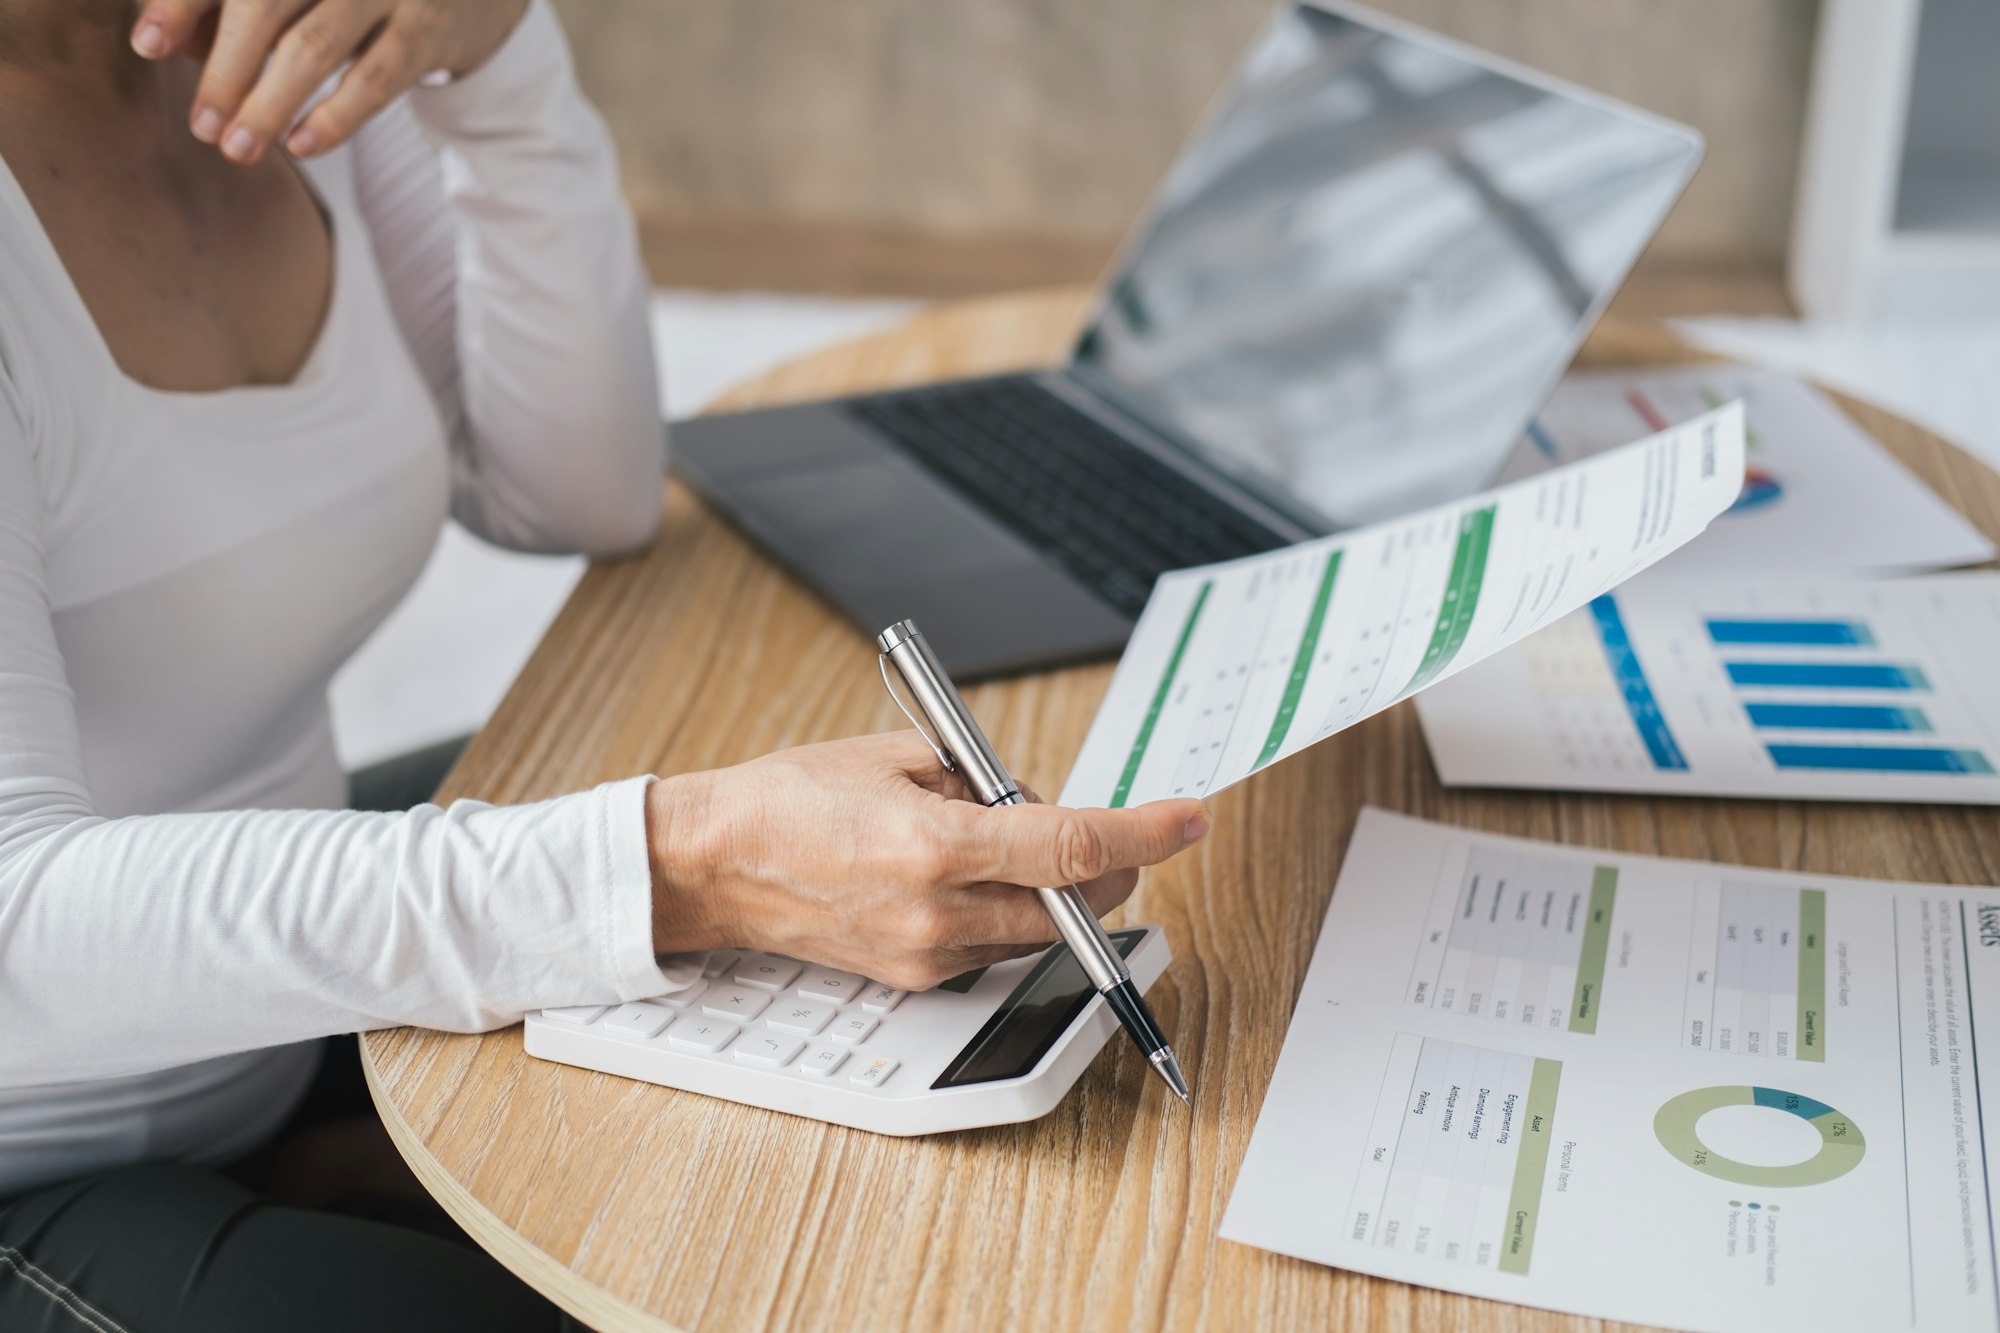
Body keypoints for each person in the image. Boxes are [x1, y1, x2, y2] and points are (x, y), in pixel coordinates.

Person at [0, 1, 1210, 1327]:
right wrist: (686, 860)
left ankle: (339, 1157)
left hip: (274, 1002)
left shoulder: (282, 40)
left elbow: (571, 487)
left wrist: (501, 62)